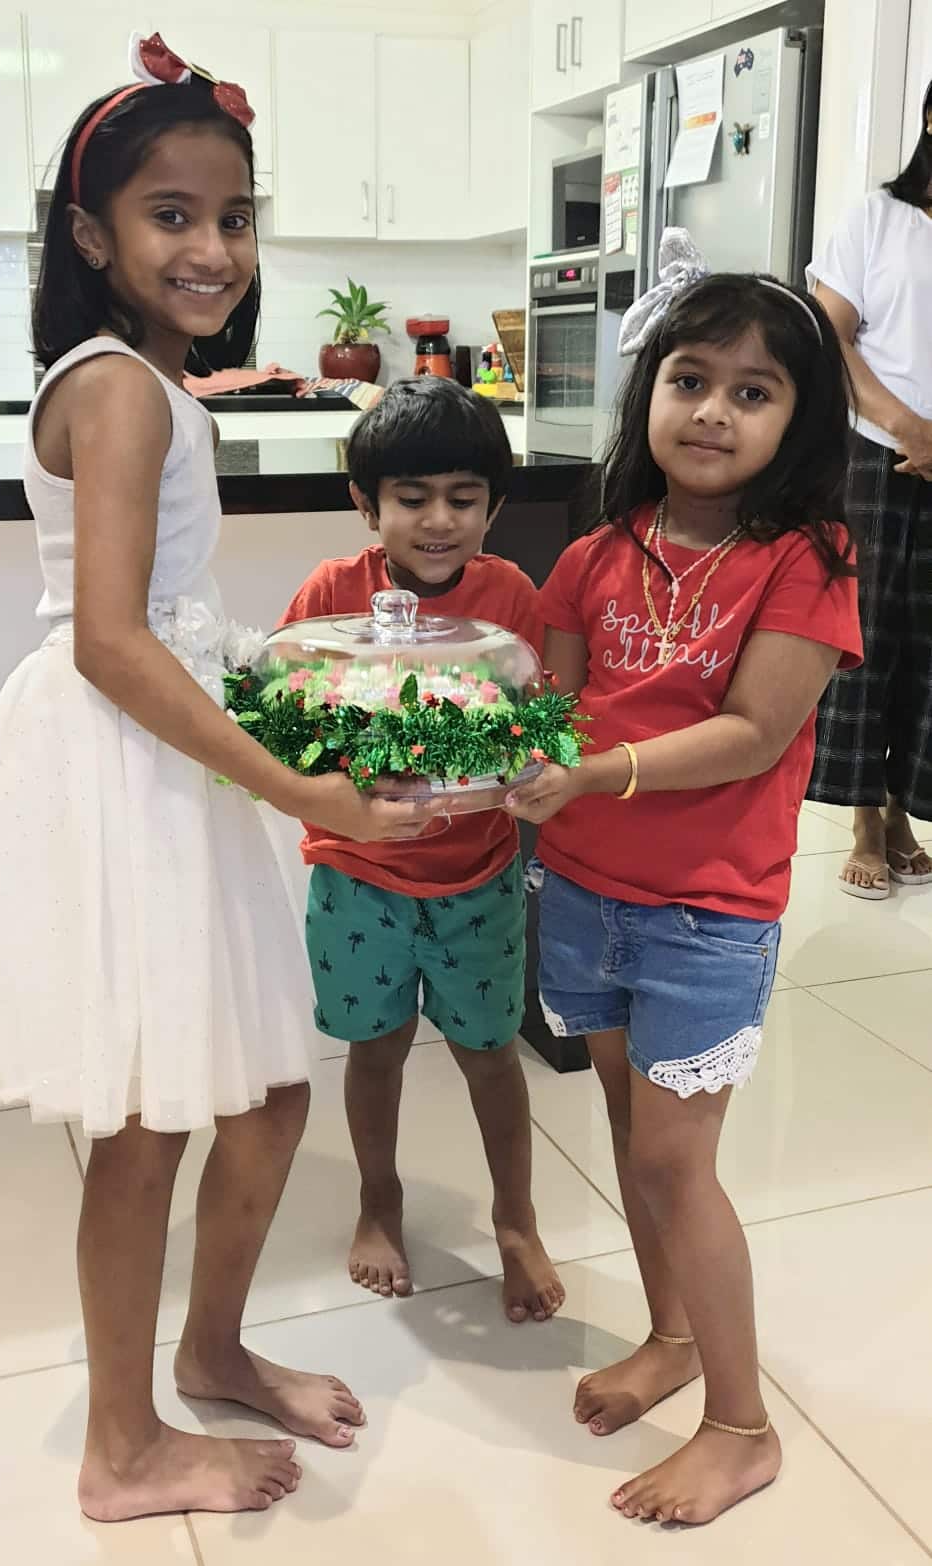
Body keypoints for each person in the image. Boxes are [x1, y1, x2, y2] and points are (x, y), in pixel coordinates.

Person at [0, 34, 438, 1525]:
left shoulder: (146, 379)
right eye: (171, 215)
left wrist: (294, 682)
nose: (213, 248)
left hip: (171, 755)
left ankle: (209, 1350)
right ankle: (121, 1442)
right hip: (128, 768)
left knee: (268, 1087)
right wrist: (302, 788)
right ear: (93, 235)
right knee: (149, 1118)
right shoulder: (125, 391)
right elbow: (107, 641)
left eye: (234, 215)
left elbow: (175, 615)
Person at [504, 235, 862, 1525]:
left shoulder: (804, 558)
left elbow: (754, 734)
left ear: (797, 420)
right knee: (628, 1135)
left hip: (706, 912)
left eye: (751, 391)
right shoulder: (598, 551)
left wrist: (585, 775)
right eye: (688, 379)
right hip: (585, 896)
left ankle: (739, 1422)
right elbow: (544, 706)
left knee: (673, 1165)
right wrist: (449, 735)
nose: (710, 410)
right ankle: (667, 1337)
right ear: (645, 391)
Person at [277, 377, 566, 1324]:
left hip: (476, 875)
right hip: (357, 877)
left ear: (494, 505)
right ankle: (379, 1200)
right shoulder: (329, 594)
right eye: (411, 498)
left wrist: (531, 768)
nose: (438, 521)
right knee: (377, 1049)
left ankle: (516, 1221)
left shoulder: (509, 596)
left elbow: (535, 723)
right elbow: (290, 723)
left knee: (490, 1055)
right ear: (367, 504)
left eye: (464, 498)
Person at [806, 80, 932, 898]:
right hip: (874, 453)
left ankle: (902, 810)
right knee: (865, 639)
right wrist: (908, 425)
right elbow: (828, 334)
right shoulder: (877, 219)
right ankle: (860, 815)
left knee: (929, 648)